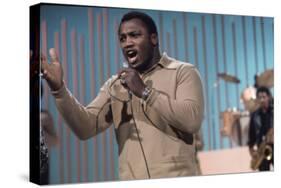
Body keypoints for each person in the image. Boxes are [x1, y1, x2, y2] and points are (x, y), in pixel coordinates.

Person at [41, 11, 204, 180]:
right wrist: (59, 89)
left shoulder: (183, 72)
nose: (127, 43)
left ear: (153, 39)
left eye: (134, 35)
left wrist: (144, 92)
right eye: (123, 38)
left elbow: (192, 120)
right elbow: (85, 128)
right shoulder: (116, 85)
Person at [248, 86, 274, 171]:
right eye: (259, 97)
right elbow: (251, 134)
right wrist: (251, 150)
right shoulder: (255, 115)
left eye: (264, 97)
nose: (262, 100)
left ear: (269, 97)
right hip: (262, 149)